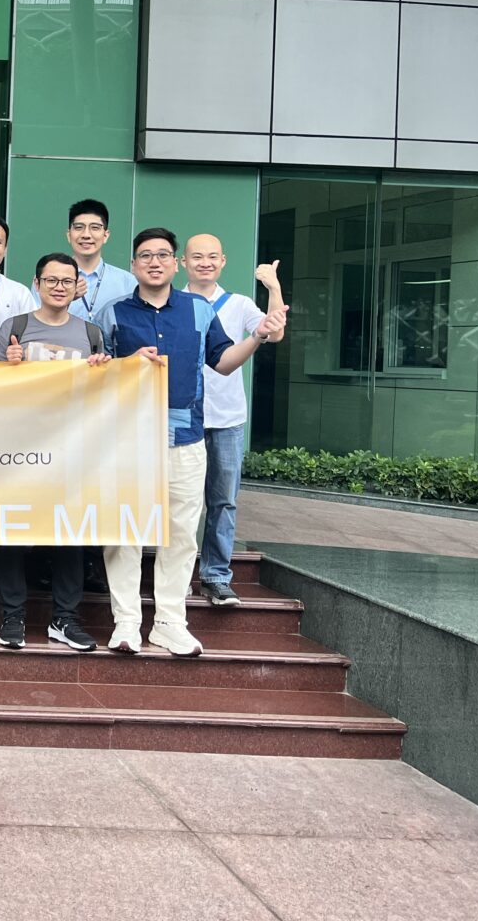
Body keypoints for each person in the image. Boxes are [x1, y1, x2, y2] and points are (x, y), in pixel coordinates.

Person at [96, 228, 287, 657]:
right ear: (133, 265)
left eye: (163, 254)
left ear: (174, 263)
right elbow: (96, 373)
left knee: (181, 533)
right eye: (146, 255)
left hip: (185, 439)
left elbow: (223, 362)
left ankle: (169, 622)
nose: (155, 262)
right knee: (124, 532)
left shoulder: (198, 310)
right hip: (129, 440)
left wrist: (257, 336)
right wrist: (125, 364)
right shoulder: (114, 313)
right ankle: (126, 621)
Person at [0, 252, 110, 652]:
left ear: (77, 287)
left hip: (72, 449)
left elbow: (103, 392)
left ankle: (65, 618)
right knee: (12, 533)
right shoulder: (15, 327)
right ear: (37, 284)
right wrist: (7, 365)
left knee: (69, 534)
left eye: (67, 281)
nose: (59, 287)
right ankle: (13, 615)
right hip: (20, 448)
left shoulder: (90, 333)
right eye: (51, 280)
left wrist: (103, 370)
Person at [181, 235, 286, 606]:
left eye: (212, 256)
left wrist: (273, 287)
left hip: (226, 419)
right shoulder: (175, 303)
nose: (205, 262)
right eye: (197, 256)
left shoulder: (239, 303)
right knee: (180, 502)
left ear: (223, 261)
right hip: (182, 419)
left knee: (223, 501)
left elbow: (274, 332)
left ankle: (215, 576)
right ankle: (176, 576)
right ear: (183, 262)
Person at [60, 199, 136, 323]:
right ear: (69, 235)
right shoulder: (48, 279)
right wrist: (64, 300)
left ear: (105, 235)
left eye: (95, 228)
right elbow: (39, 322)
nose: (86, 235)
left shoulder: (127, 282)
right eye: (79, 227)